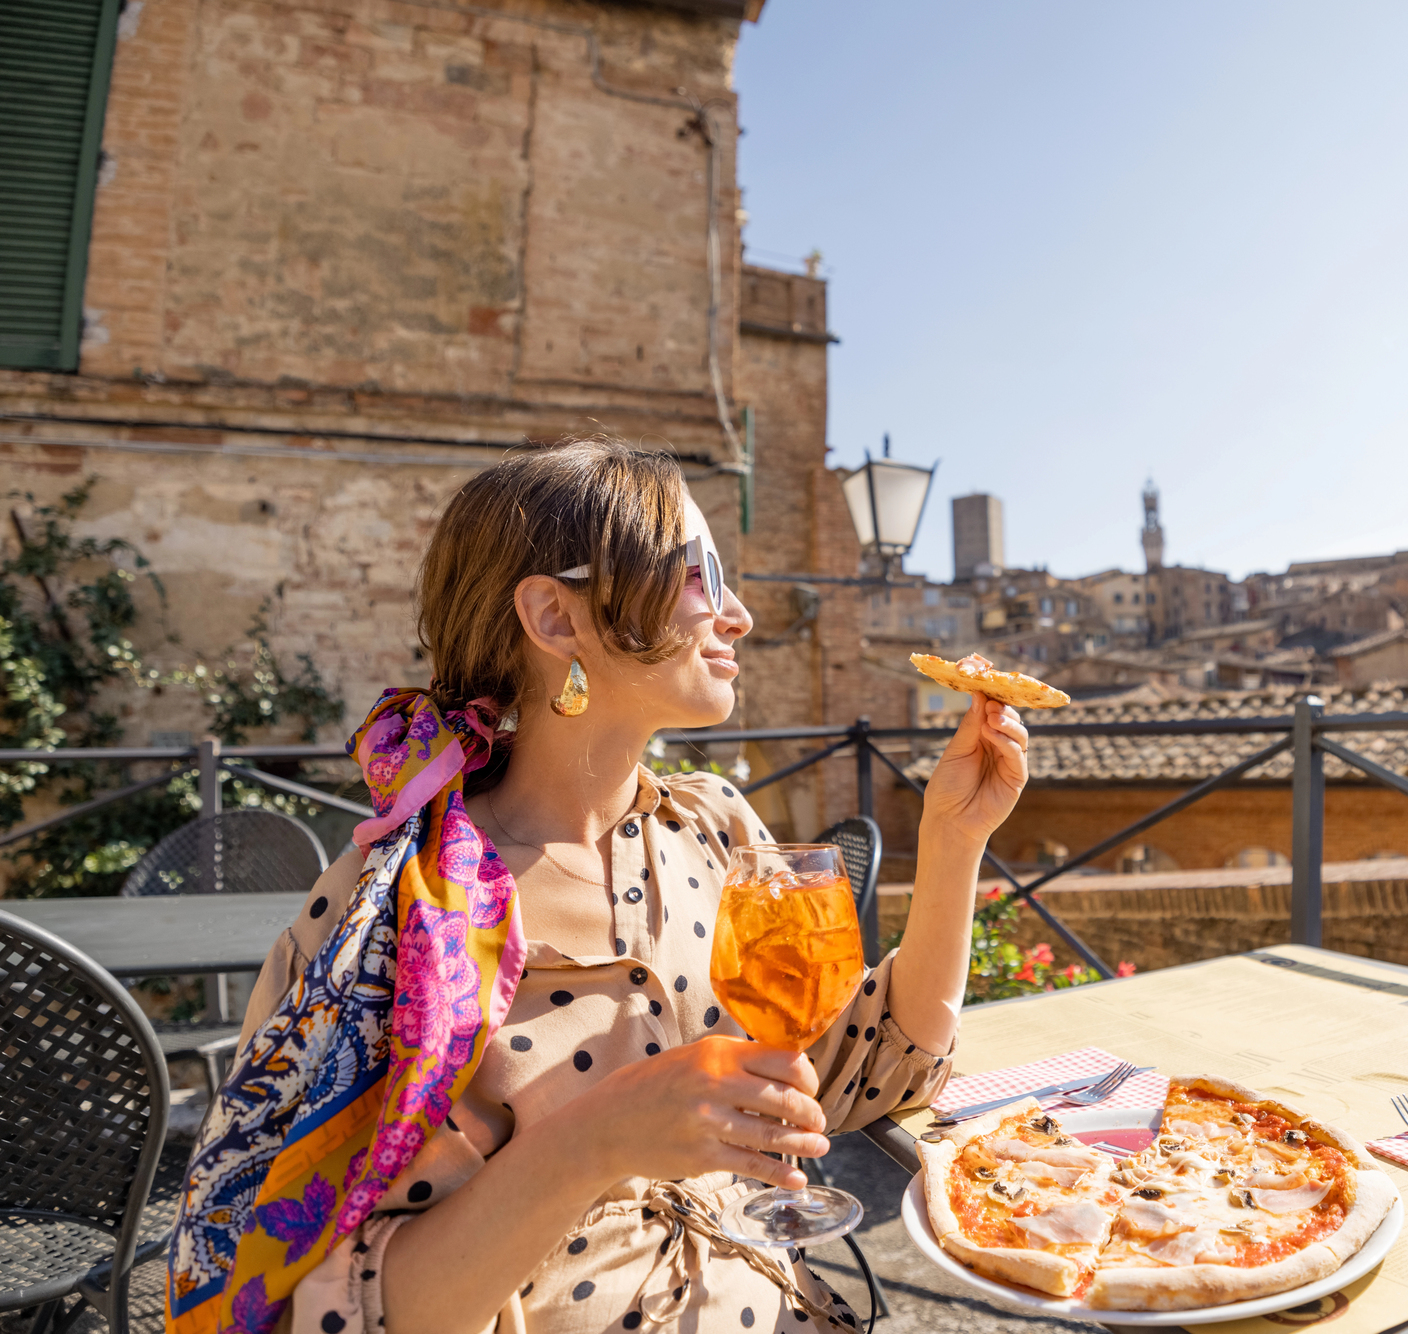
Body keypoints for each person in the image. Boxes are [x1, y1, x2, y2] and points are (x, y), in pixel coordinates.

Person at [166, 438, 1029, 1334]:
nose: (735, 613)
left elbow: (861, 1072)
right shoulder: (399, 917)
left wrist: (955, 839)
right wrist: (596, 1140)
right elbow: (340, 1313)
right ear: (554, 616)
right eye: (698, 572)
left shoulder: (714, 829)